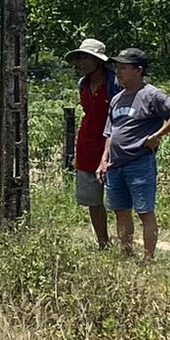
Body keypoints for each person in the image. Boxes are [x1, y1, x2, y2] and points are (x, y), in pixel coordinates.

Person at [97, 46, 170, 260]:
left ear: (138, 70)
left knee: (144, 211)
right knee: (121, 211)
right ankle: (126, 253)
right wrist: (104, 160)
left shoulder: (151, 95)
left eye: (124, 67)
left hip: (139, 162)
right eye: (117, 67)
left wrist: (157, 135)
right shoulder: (117, 98)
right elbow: (110, 131)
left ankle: (149, 258)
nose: (118, 72)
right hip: (116, 164)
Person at [66, 37, 113, 249]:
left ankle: (126, 243)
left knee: (119, 199)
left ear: (99, 61)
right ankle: (103, 242)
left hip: (112, 145)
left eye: (87, 58)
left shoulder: (114, 84)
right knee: (93, 200)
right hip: (87, 144)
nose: (82, 62)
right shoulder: (83, 84)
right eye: (80, 58)